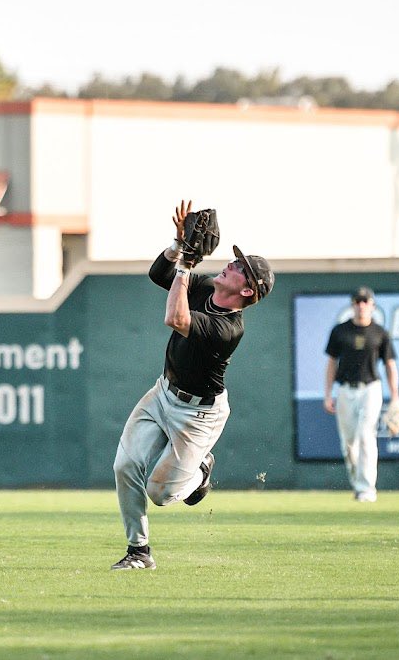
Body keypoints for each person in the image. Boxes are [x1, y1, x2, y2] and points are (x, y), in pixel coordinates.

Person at [111, 200, 274, 570]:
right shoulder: (203, 287)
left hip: (198, 415)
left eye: (240, 268)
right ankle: (139, 551)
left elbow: (175, 316)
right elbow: (159, 274)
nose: (231, 264)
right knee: (125, 466)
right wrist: (176, 244)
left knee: (160, 493)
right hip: (163, 393)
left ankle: (200, 470)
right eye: (235, 260)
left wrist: (186, 262)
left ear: (247, 291)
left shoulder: (229, 328)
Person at [323, 286, 399, 503]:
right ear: (352, 305)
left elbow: (390, 365)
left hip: (370, 389)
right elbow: (331, 363)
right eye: (358, 301)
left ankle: (367, 489)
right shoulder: (340, 331)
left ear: (372, 306)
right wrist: (328, 394)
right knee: (349, 443)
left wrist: (395, 396)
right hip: (345, 389)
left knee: (366, 435)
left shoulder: (380, 333)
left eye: (366, 301)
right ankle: (358, 484)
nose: (361, 305)